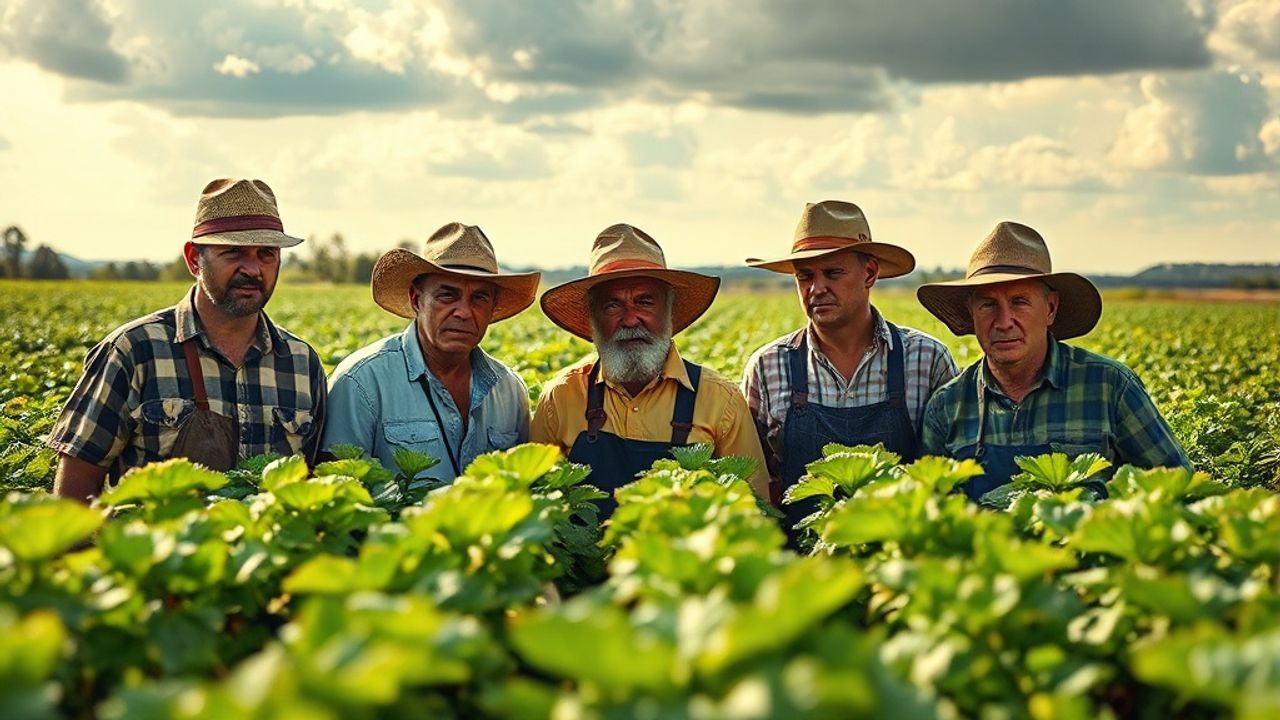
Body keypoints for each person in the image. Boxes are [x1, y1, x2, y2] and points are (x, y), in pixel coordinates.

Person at [47, 178, 327, 501]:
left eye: (266, 254)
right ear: (194, 259)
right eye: (233, 252)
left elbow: (314, 488)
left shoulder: (302, 364)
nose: (252, 269)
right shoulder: (135, 351)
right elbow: (75, 490)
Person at [918, 221, 1190, 500]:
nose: (1004, 322)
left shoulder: (1109, 388)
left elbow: (1179, 490)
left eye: (1019, 302)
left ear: (1050, 308)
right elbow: (931, 513)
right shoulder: (947, 407)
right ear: (971, 313)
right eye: (988, 304)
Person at [742, 200, 958, 537]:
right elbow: (756, 488)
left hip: (898, 562)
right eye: (805, 277)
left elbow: (948, 479)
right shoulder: (768, 367)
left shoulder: (927, 360)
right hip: (802, 572)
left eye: (832, 273)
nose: (816, 288)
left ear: (870, 273)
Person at [531, 223, 770, 516]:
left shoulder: (721, 400)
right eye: (612, 306)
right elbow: (538, 508)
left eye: (644, 302)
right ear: (593, 320)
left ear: (668, 311)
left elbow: (756, 514)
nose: (630, 320)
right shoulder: (561, 397)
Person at [322, 223, 539, 481]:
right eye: (447, 295)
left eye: (479, 298)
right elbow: (335, 494)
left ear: (492, 309)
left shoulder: (510, 390)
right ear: (416, 300)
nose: (464, 312)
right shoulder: (361, 383)